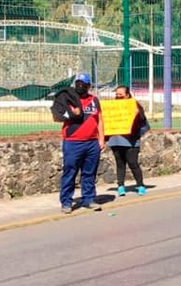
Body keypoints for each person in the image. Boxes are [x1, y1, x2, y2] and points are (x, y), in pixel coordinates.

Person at [59, 73, 104, 213]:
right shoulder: (68, 99)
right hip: (73, 142)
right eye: (78, 84)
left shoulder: (94, 100)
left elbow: (100, 120)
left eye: (83, 84)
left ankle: (89, 199)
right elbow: (58, 116)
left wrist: (101, 139)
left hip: (91, 143)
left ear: (89, 86)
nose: (80, 87)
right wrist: (72, 113)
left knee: (89, 173)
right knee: (70, 172)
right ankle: (66, 202)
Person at [106, 85, 149, 197]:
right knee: (120, 164)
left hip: (131, 141)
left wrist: (137, 114)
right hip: (116, 140)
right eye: (116, 94)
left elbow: (143, 120)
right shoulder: (112, 106)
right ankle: (121, 186)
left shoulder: (134, 104)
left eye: (120, 94)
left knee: (133, 163)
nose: (118, 96)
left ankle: (140, 185)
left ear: (127, 95)